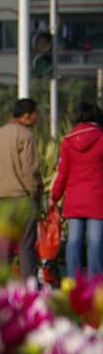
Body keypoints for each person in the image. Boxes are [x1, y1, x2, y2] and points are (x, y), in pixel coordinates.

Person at [0, 98, 43, 280]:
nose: (37, 118)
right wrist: (36, 192)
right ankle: (28, 288)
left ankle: (1, 288)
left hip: (3, 198)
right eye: (35, 114)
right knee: (26, 246)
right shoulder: (26, 136)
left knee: (3, 248)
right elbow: (30, 170)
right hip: (23, 198)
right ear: (26, 116)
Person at [50, 103, 103, 278]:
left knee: (74, 240)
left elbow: (62, 173)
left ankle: (74, 281)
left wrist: (54, 196)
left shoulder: (68, 140)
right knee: (95, 241)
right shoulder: (101, 138)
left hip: (74, 200)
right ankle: (96, 283)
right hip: (97, 199)